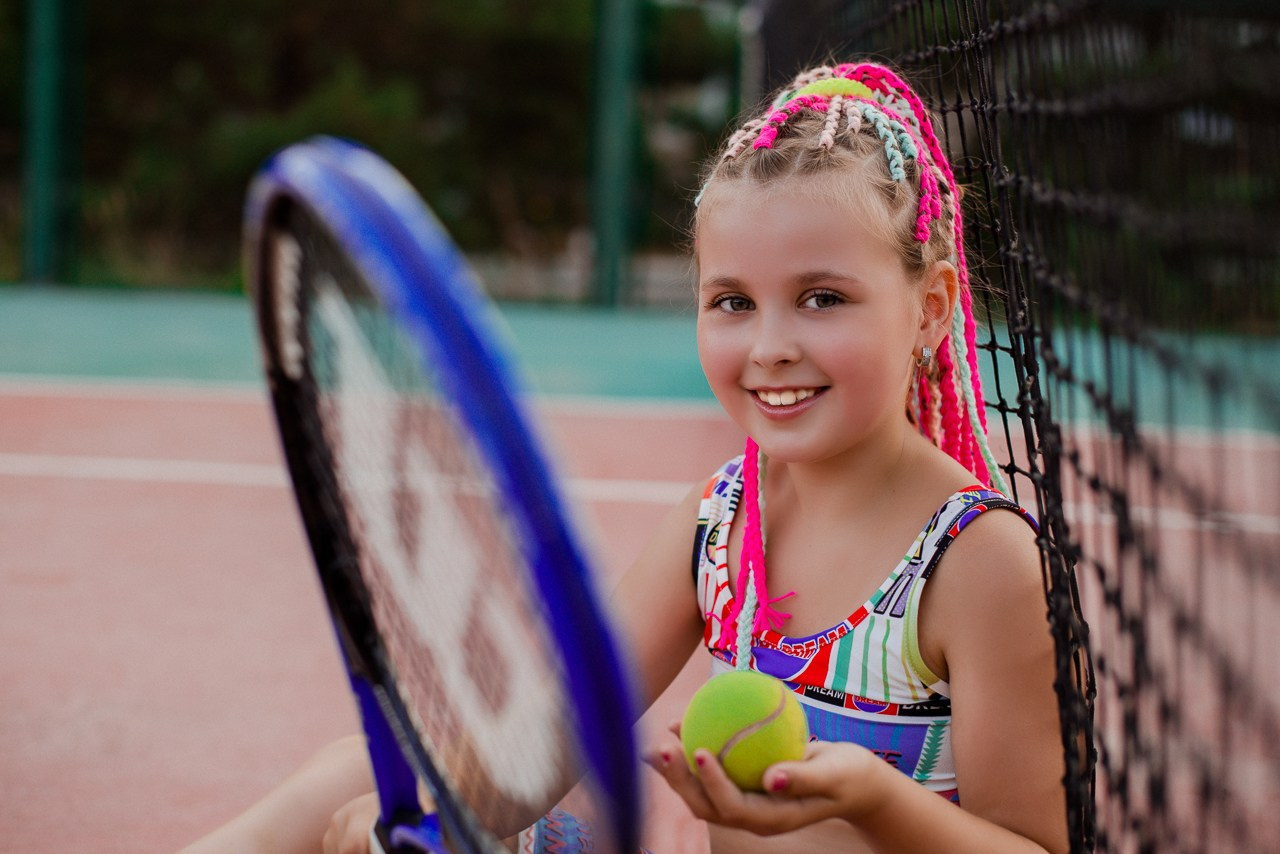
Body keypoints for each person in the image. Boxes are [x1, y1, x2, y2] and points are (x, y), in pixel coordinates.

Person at [182, 59, 1068, 854]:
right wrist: (425, 820)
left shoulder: (980, 565)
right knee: (361, 776)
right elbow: (549, 741)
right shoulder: (722, 524)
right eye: (732, 302)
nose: (769, 346)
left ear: (933, 307)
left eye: (822, 298)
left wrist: (876, 799)